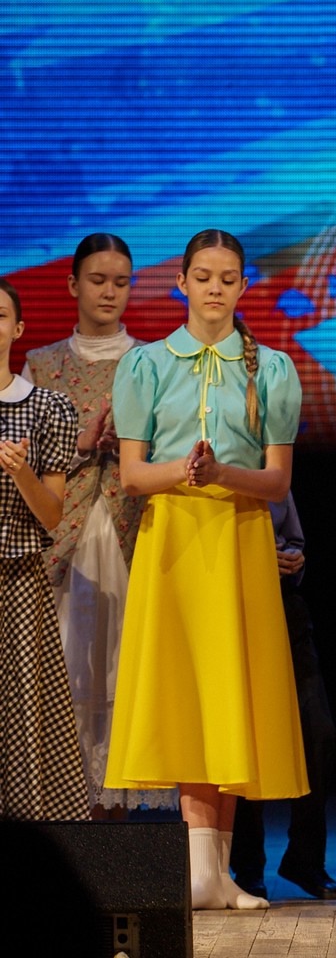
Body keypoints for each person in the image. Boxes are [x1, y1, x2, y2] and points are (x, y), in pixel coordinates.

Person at [105, 228, 307, 910]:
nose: (214, 288)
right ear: (182, 283)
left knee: (230, 696)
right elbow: (133, 475)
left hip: (240, 539)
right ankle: (200, 871)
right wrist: (186, 472)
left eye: (227, 278)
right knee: (189, 696)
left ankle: (217, 875)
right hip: (174, 543)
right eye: (203, 276)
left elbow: (277, 482)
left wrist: (222, 474)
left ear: (243, 287)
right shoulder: (145, 365)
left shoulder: (272, 369)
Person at [22, 234, 166, 818]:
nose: (110, 292)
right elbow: (23, 462)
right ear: (73, 285)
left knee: (123, 673)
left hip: (134, 534)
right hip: (63, 541)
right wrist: (82, 446)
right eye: (98, 280)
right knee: (66, 673)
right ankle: (63, 822)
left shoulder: (154, 360)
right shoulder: (42, 365)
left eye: (121, 282)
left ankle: (114, 830)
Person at [0, 278, 89, 822]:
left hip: (17, 580)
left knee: (21, 713)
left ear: (18, 329)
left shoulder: (47, 407)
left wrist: (22, 473)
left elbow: (53, 514)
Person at [230, 493, 336, 901]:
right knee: (246, 735)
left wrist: (295, 559)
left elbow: (293, 540)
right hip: (234, 605)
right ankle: (247, 866)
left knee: (319, 734)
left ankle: (305, 858)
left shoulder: (272, 472)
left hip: (284, 604)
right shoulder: (206, 471)